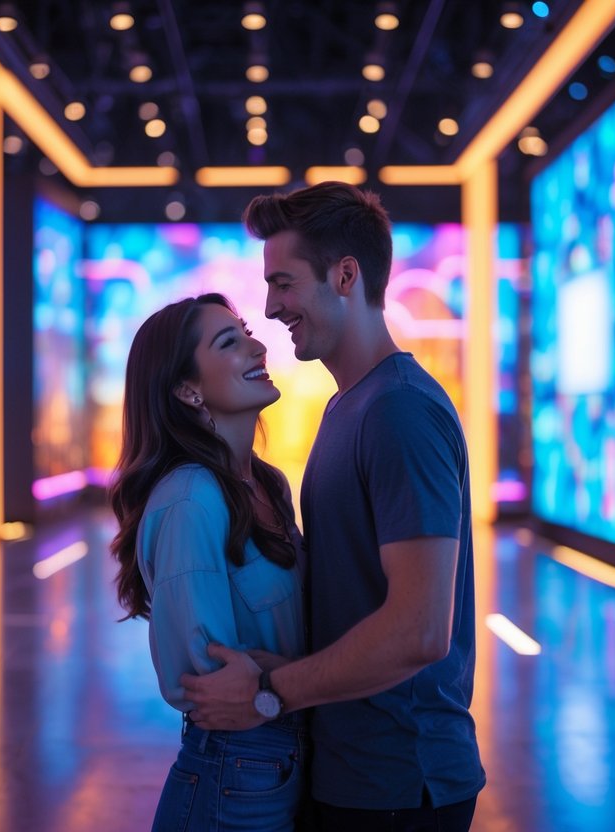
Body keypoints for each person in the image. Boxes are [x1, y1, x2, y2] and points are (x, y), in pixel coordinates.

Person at [181, 182, 486, 830]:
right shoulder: (350, 406)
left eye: (284, 283)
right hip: (355, 770)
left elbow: (419, 629)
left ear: (345, 275)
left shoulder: (398, 411)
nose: (271, 307)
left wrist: (266, 693)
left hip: (399, 782)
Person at [109, 293, 309, 832]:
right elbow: (207, 682)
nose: (258, 345)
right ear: (186, 390)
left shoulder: (268, 483)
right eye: (230, 342)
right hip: (235, 775)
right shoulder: (191, 498)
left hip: (286, 761)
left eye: (247, 332)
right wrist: (329, 676)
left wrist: (284, 676)